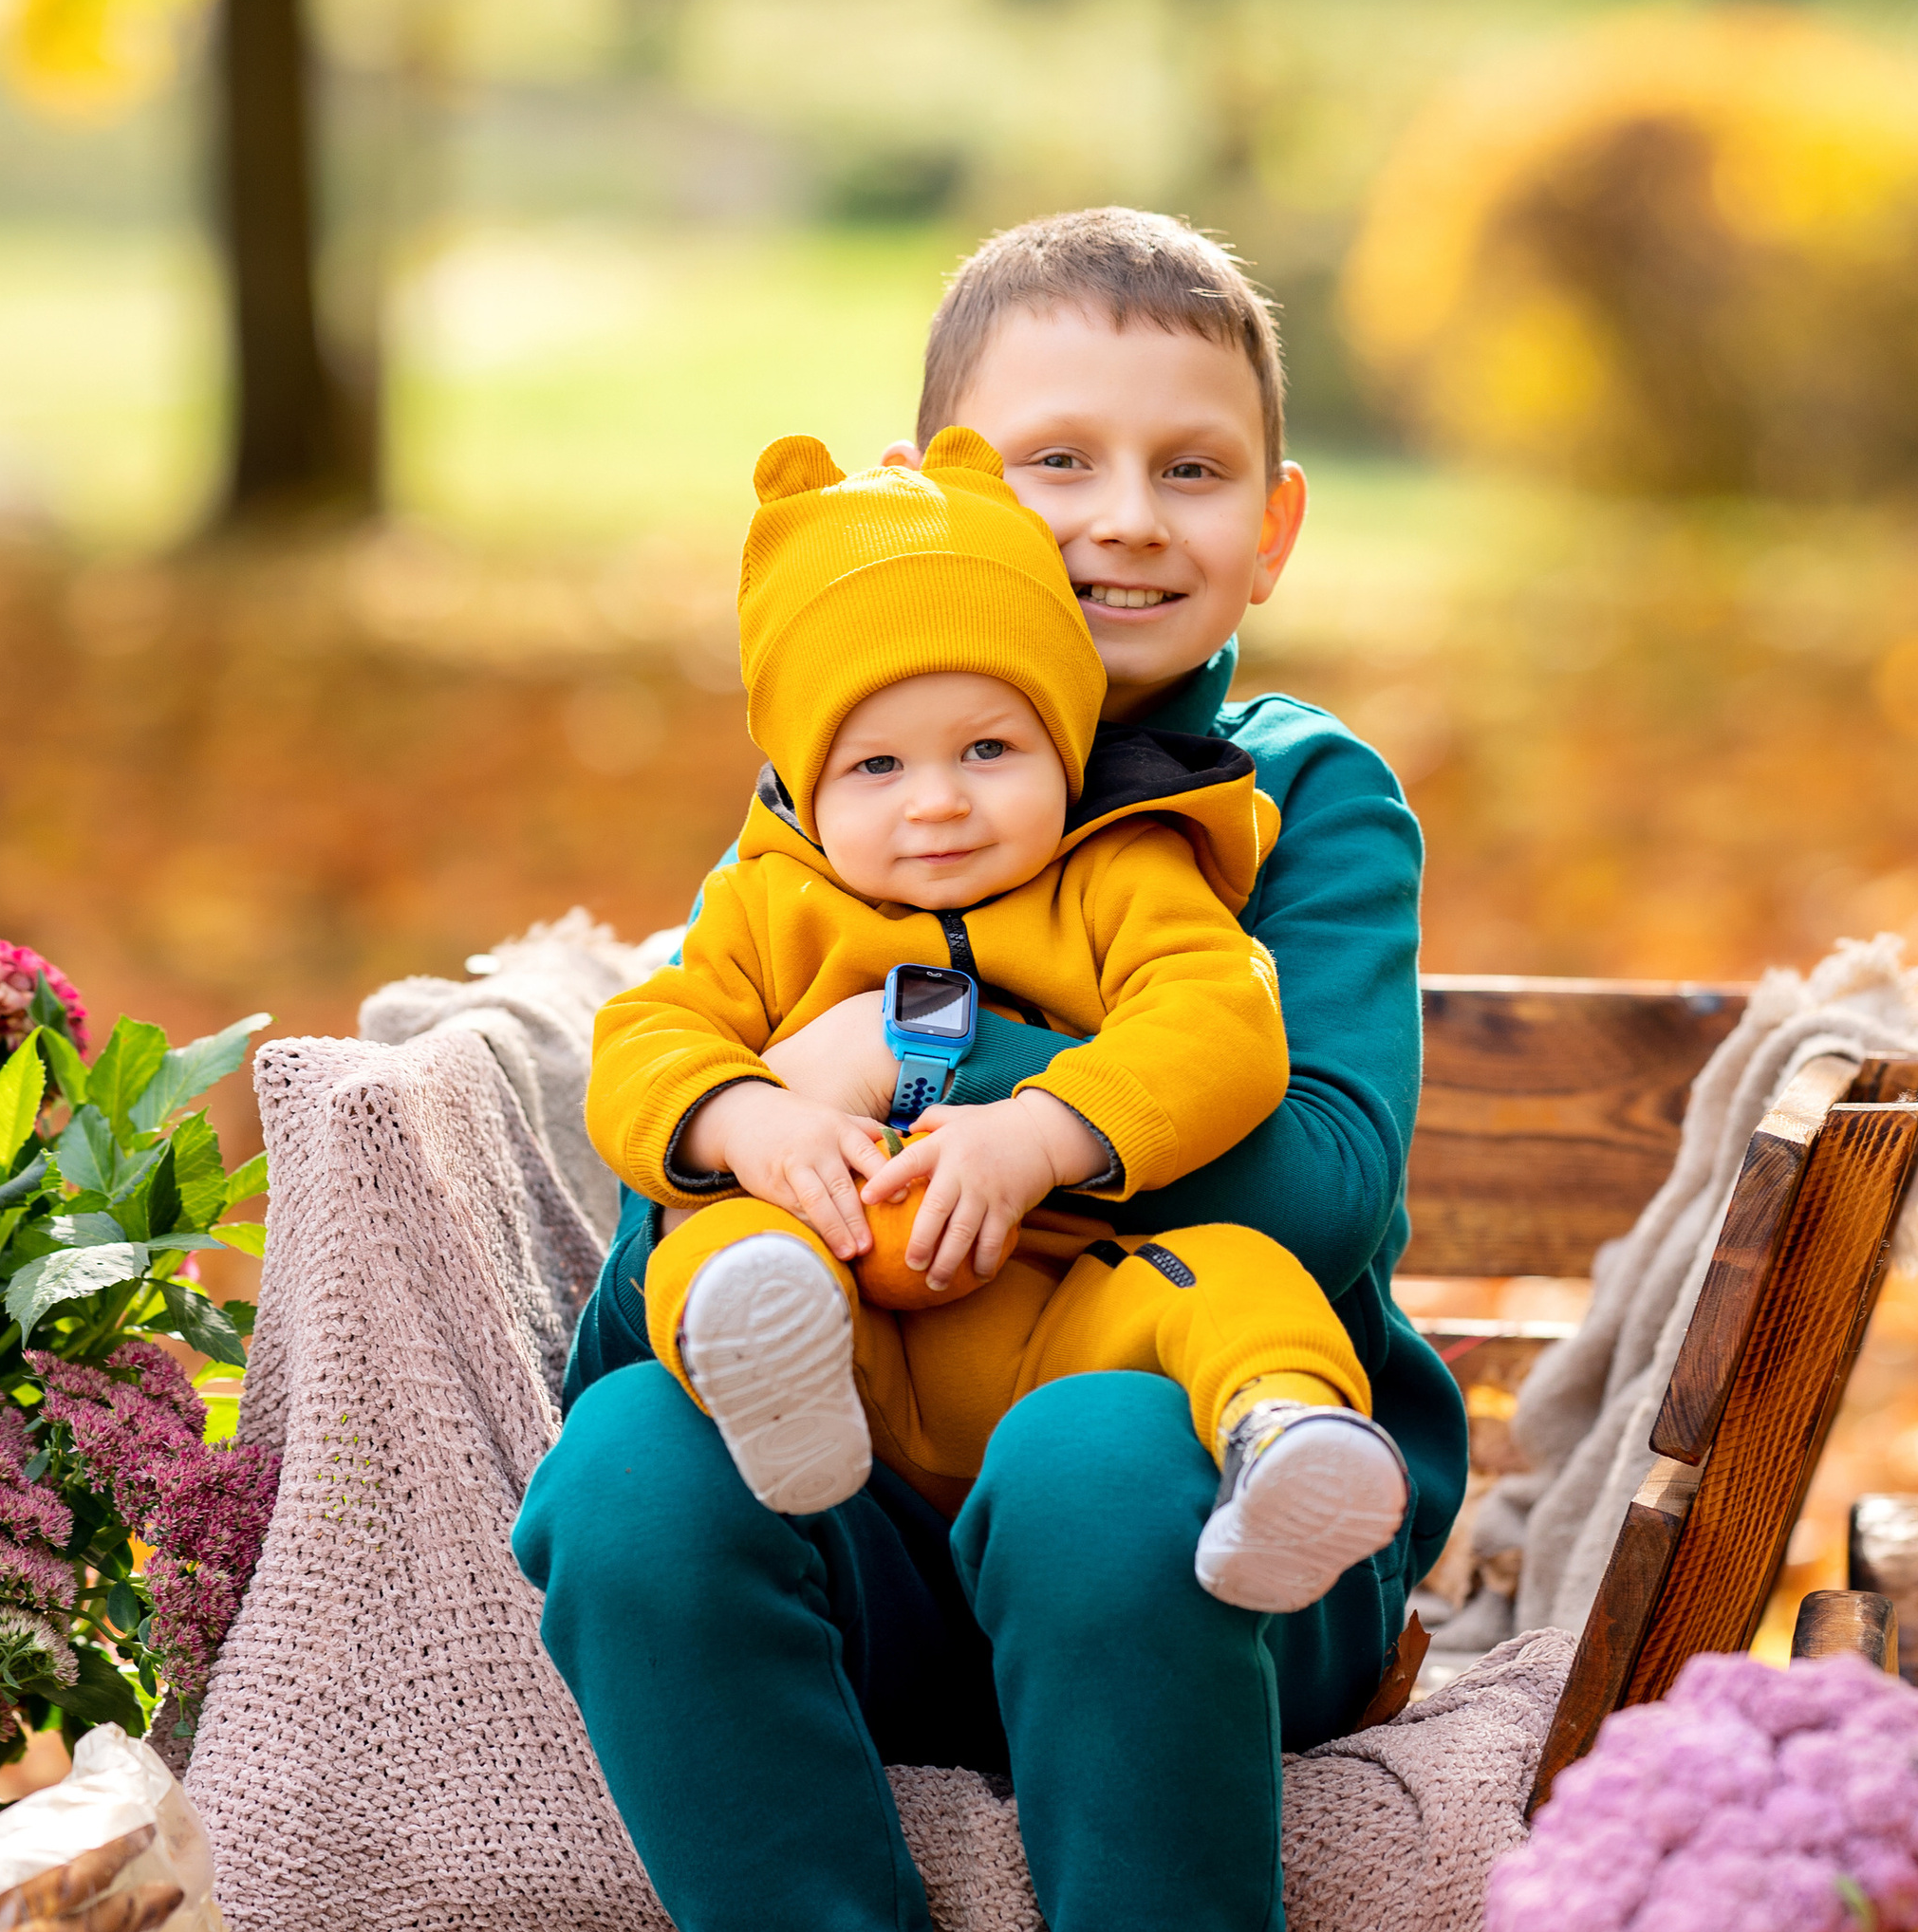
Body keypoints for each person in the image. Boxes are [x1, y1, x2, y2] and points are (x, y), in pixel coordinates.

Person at [513, 207, 1466, 1932]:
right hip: (867, 1511)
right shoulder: (834, 781)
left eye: (1188, 468)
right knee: (633, 1477)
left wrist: (983, 1121)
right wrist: (771, 1119)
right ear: (931, 487)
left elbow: (1317, 1171)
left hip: (1215, 1535)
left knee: (1090, 1461)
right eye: (1051, 461)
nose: (1121, 519)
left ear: (1275, 521)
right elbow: (679, 1114)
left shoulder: (1293, 802)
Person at [588, 424, 1411, 1612]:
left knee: (1225, 1277)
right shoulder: (772, 901)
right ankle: (772, 1384)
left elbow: (1222, 1020)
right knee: (717, 1251)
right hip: (847, 1325)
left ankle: (1280, 1439)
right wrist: (743, 1120)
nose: (939, 802)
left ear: (1066, 748)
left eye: (989, 748)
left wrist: (1043, 1130)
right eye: (876, 767)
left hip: (1070, 1313)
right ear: (806, 787)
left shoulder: (1121, 875)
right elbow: (645, 1040)